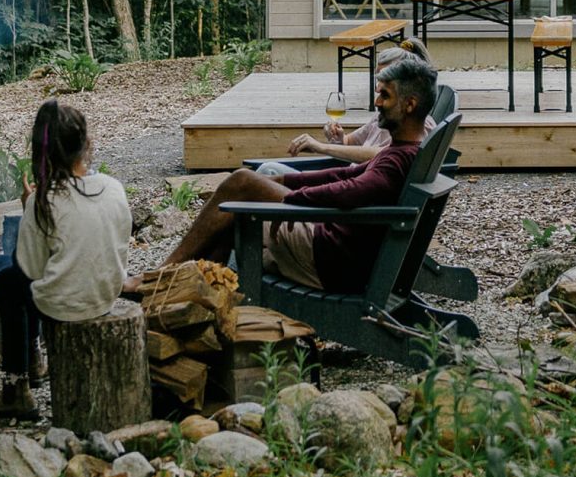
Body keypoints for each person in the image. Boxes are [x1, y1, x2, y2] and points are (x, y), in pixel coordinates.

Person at [158, 54, 437, 294]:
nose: (377, 101)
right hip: (339, 250)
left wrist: (293, 201)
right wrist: (281, 182)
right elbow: (339, 177)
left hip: (332, 261)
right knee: (243, 196)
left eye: (384, 95)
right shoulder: (404, 151)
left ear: (409, 105)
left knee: (240, 184)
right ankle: (196, 289)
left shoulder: (397, 159)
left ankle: (163, 276)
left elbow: (351, 189)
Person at [0, 99, 132, 421]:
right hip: (105, 296)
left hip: (63, 308)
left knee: (9, 281)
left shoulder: (42, 200)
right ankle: (33, 362)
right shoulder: (113, 188)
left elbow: (30, 269)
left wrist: (29, 208)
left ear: (40, 152)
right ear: (87, 144)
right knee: (30, 278)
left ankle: (16, 388)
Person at [257, 38, 435, 176]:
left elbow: (388, 155)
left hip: (349, 200)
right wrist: (338, 137)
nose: (377, 91)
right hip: (347, 183)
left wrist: (322, 147)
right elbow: (350, 142)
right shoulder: (383, 118)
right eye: (377, 79)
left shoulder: (419, 124)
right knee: (245, 179)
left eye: (385, 80)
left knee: (267, 172)